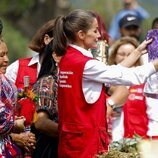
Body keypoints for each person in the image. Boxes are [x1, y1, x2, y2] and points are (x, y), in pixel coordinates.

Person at [53, 9, 158, 157]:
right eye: (95, 31)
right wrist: (155, 65)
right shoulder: (85, 64)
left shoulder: (69, 58)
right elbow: (129, 76)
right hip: (85, 143)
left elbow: (112, 72)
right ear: (81, 34)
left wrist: (137, 52)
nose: (99, 35)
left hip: (73, 140)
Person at [108, 36, 148, 141]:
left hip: (137, 143)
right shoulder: (105, 81)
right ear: (114, 56)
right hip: (109, 141)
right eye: (122, 54)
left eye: (130, 54)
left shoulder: (145, 83)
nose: (126, 57)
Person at [0, 38, 35, 157]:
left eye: (6, 54)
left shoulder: (5, 82)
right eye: (1, 55)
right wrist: (15, 126)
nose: (6, 60)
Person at [31, 40, 59, 158]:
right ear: (56, 57)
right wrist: (71, 134)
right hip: (49, 150)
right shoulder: (47, 82)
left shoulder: (63, 81)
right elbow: (41, 122)